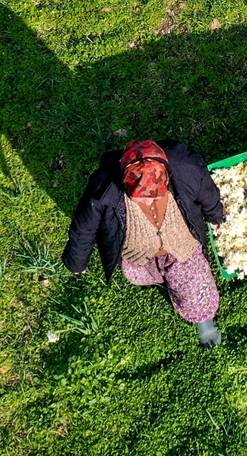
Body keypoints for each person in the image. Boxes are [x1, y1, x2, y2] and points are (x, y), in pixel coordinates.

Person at [63, 139, 227, 347]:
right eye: (141, 199)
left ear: (167, 176)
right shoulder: (103, 187)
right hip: (140, 254)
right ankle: (163, 278)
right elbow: (85, 225)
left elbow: (207, 194)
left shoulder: (188, 169)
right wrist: (77, 261)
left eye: (156, 195)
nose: (149, 202)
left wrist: (215, 216)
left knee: (196, 293)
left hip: (181, 246)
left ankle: (205, 322)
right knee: (143, 274)